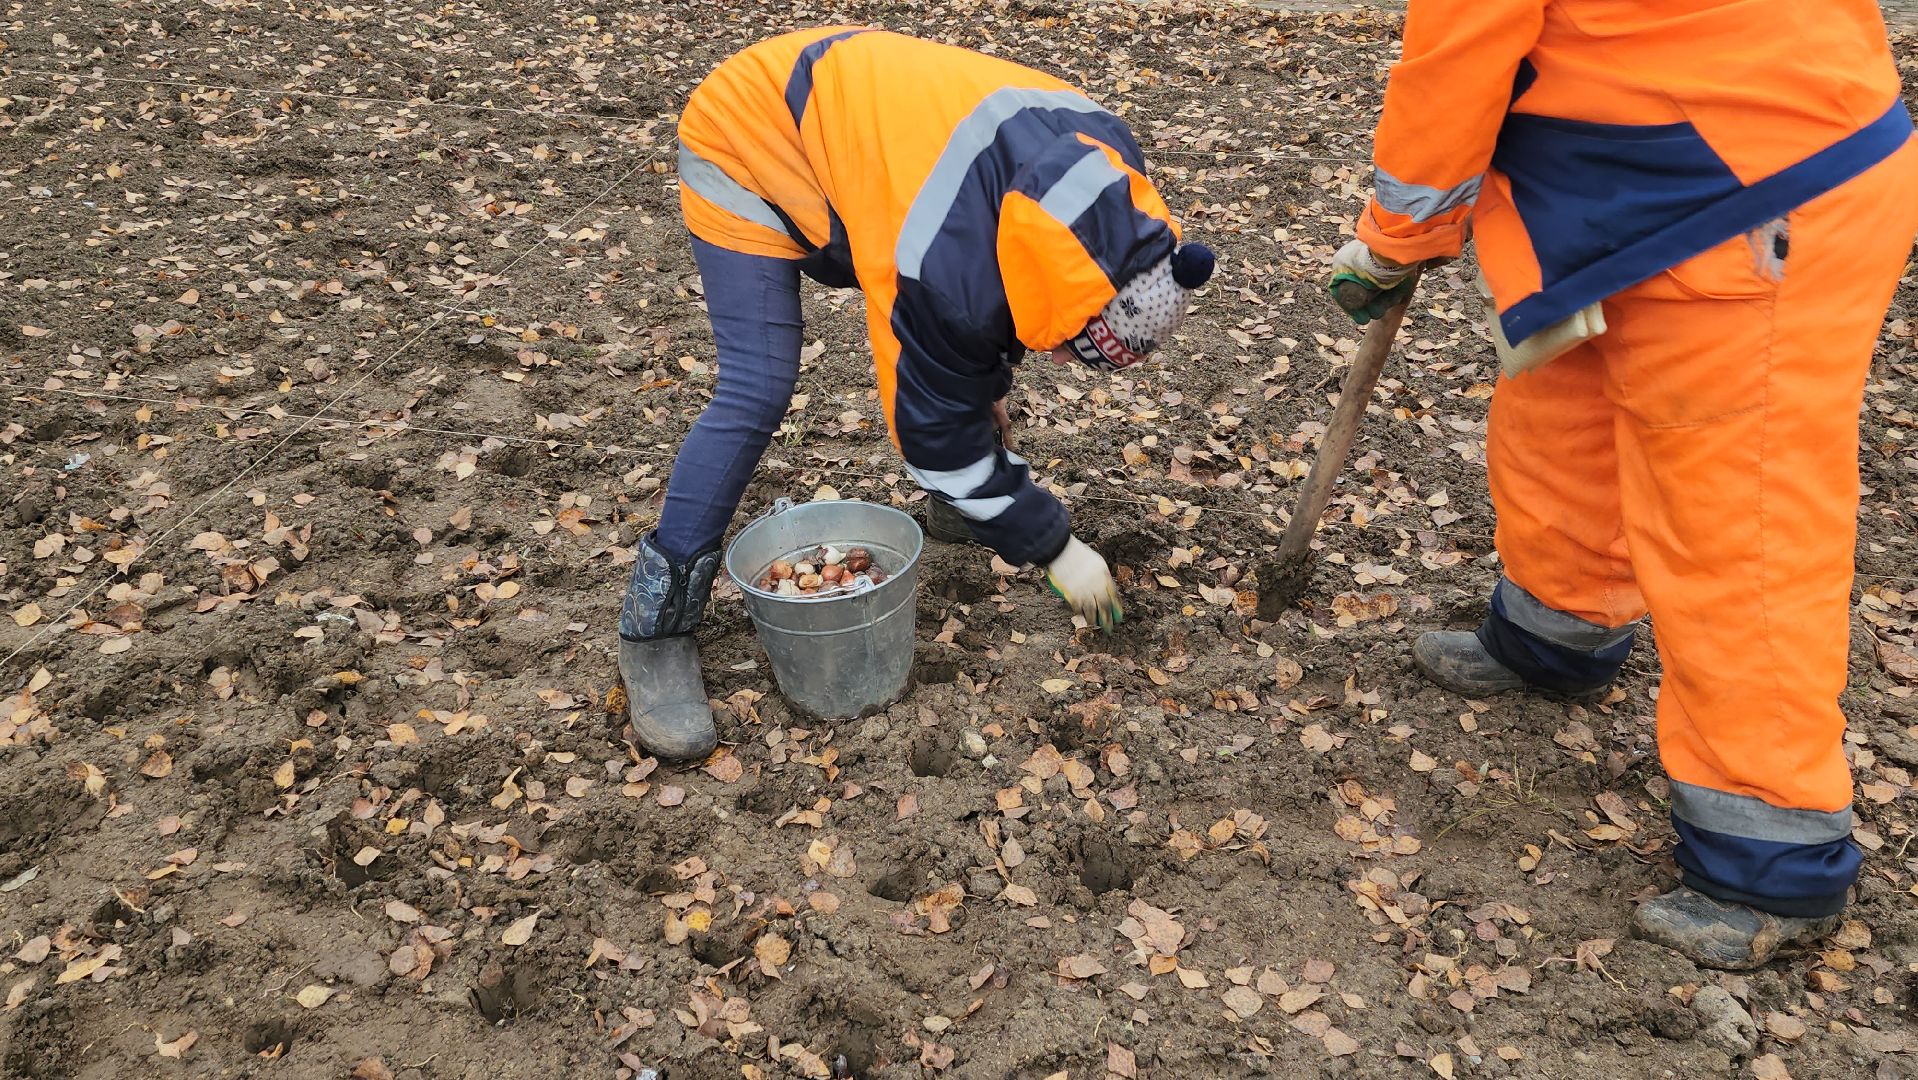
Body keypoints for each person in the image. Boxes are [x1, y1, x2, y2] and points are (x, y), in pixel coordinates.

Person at [1330, 0, 1916, 969]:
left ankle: (1770, 849)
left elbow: (1458, 48)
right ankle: (1555, 631)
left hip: (1759, 188)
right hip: (1652, 176)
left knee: (1738, 517)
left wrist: (1396, 235)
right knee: (1562, 408)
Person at [620, 28, 1214, 760]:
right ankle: (657, 626)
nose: (1056, 358)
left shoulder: (1107, 182)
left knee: (975, 327)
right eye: (1069, 347)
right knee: (758, 384)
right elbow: (931, 428)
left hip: (866, 129)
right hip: (754, 132)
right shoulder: (943, 264)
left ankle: (962, 512)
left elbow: (1002, 302)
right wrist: (1055, 547)